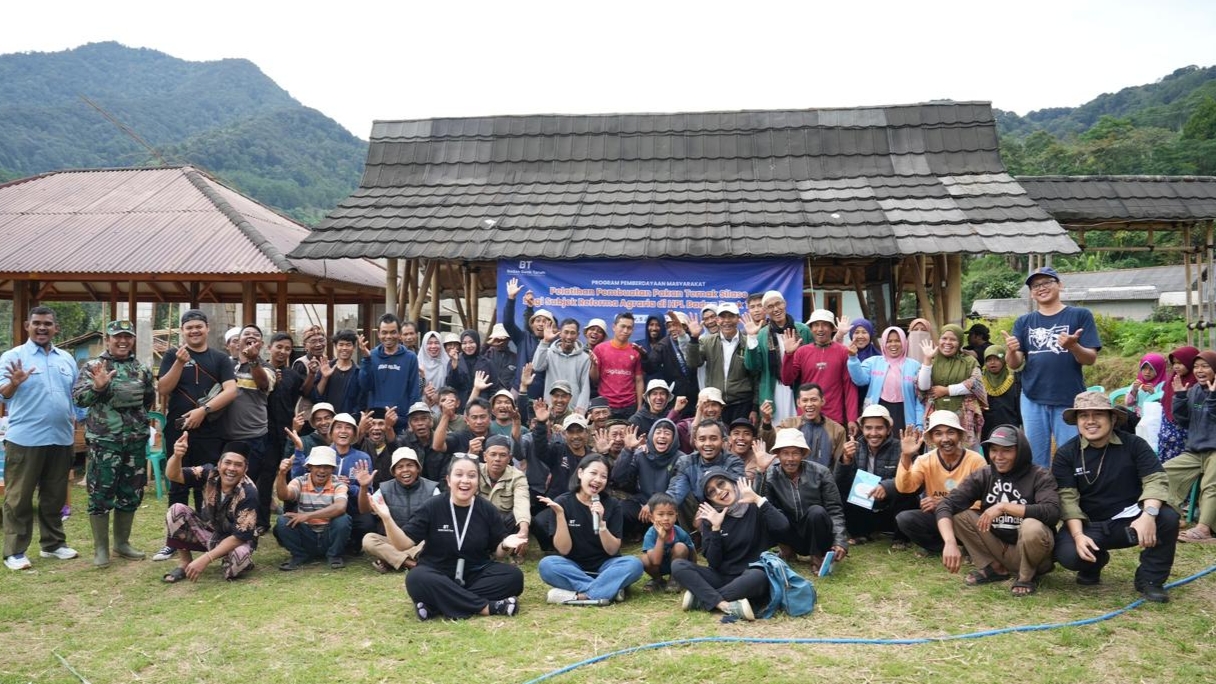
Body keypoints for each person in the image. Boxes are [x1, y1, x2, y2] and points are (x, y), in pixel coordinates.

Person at [1051, 391, 1178, 602]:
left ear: (1112, 418)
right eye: (1083, 416)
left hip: (1130, 521)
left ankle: (1150, 580)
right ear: (1077, 422)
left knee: (1167, 518)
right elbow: (1067, 499)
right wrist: (1078, 536)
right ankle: (1094, 562)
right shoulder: (1066, 454)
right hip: (1089, 525)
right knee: (1069, 555)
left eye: (1098, 414)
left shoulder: (1135, 445)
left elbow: (1156, 480)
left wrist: (1148, 515)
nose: (1090, 421)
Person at [370, 454, 525, 620]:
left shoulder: (487, 509)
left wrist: (506, 545)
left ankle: (435, 605)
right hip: (437, 572)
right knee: (416, 578)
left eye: (471, 476)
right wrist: (387, 519)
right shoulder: (432, 506)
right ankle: (488, 607)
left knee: (514, 577)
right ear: (449, 480)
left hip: (475, 572)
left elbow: (499, 553)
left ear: (478, 481)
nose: (465, 480)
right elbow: (402, 545)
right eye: (459, 475)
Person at [935, 425, 1060, 596]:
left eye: (1006, 450)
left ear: (1020, 451)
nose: (998, 457)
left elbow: (1052, 512)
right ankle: (994, 568)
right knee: (959, 515)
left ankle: (1025, 577)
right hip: (998, 545)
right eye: (994, 450)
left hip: (1033, 553)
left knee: (1032, 526)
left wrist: (1004, 506)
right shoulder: (985, 474)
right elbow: (946, 505)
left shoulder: (1039, 475)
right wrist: (949, 542)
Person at [2, 307, 81, 570]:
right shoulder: (14, 357)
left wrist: (81, 418)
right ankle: (15, 552)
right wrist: (14, 383)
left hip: (60, 438)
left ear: (56, 328)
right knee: (18, 498)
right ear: (27, 325)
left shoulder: (66, 359)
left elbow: (77, 396)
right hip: (25, 439)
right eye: (37, 323)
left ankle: (53, 545)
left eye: (48, 324)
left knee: (54, 495)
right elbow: (3, 394)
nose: (42, 328)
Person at [72, 319, 155, 567]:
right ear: (107, 339)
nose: (122, 341)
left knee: (131, 493)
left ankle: (122, 543)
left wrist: (134, 425)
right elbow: (79, 398)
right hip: (104, 443)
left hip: (135, 442)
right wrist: (98, 388)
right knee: (100, 494)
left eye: (127, 336)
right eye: (117, 336)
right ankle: (101, 549)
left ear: (132, 340)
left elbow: (147, 400)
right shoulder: (93, 367)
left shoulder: (142, 369)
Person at [1004, 266, 1102, 468]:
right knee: (1035, 458)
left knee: (1071, 454)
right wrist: (1011, 351)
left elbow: (1090, 359)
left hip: (1068, 397)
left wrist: (1074, 346)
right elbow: (1015, 364)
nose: (1041, 288)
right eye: (1035, 285)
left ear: (1060, 285)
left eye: (1047, 282)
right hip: (1032, 397)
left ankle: (1071, 496)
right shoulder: (1024, 321)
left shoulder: (1080, 315)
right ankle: (1042, 497)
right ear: (1031, 293)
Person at [671, 469, 789, 621]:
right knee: (678, 566)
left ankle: (702, 599)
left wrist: (758, 499)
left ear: (733, 483)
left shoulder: (754, 506)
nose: (719, 491)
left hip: (751, 575)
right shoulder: (711, 518)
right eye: (711, 492)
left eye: (721, 483)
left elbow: (783, 527)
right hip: (723, 576)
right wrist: (715, 529)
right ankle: (724, 605)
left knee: (760, 576)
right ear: (710, 500)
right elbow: (714, 562)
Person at [156, 308, 238, 518]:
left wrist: (203, 411)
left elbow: (231, 390)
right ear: (182, 331)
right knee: (177, 483)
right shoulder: (172, 355)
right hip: (179, 431)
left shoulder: (220, 359)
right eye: (189, 328)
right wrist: (179, 362)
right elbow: (164, 389)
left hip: (211, 430)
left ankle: (208, 532)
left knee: (208, 482)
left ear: (207, 329)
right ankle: (175, 537)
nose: (194, 331)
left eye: (198, 327)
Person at [538, 454, 645, 605]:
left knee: (634, 564)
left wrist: (601, 523)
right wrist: (560, 515)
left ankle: (581, 596)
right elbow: (564, 550)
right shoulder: (562, 502)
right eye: (593, 473)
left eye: (603, 476)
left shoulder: (613, 504)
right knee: (547, 565)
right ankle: (609, 590)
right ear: (581, 473)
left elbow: (612, 550)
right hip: (573, 567)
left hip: (607, 567)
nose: (597, 480)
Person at [161, 435, 258, 583]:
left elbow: (240, 536)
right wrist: (177, 456)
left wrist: (206, 559)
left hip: (237, 540)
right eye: (228, 463)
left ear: (246, 469)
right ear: (219, 465)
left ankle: (232, 560)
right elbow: (173, 475)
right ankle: (185, 562)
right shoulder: (208, 473)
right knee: (176, 510)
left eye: (238, 465)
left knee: (239, 560)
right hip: (209, 531)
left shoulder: (249, 492)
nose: (232, 468)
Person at [893, 411, 987, 554]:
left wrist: (944, 503)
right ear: (931, 438)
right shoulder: (924, 460)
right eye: (938, 434)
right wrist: (906, 456)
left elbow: (982, 502)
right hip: (940, 518)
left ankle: (969, 546)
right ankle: (946, 548)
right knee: (905, 519)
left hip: (967, 519)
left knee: (969, 518)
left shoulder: (976, 461)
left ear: (960, 435)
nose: (945, 439)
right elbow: (905, 488)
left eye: (951, 433)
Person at [756, 429, 849, 572]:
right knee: (771, 512)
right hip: (790, 534)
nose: (790, 458)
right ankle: (787, 551)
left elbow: (835, 510)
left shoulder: (821, 472)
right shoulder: (770, 475)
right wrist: (760, 472)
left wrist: (840, 541)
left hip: (817, 532)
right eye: (785, 453)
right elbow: (761, 505)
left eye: (795, 453)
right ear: (778, 455)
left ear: (803, 454)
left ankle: (817, 557)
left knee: (816, 511)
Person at [835, 405, 918, 548]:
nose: (873, 433)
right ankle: (860, 533)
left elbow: (916, 482)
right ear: (862, 429)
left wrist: (887, 487)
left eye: (879, 428)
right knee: (841, 494)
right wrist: (845, 460)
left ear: (888, 430)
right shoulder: (855, 447)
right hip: (865, 508)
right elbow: (840, 484)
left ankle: (900, 538)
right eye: (868, 428)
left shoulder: (902, 447)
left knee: (908, 496)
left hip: (891, 509)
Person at [223, 324, 275, 522]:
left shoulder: (266, 367)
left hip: (254, 436)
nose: (251, 336)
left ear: (261, 344)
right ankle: (225, 523)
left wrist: (253, 362)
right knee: (226, 483)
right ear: (238, 341)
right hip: (226, 435)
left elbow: (263, 384)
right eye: (246, 334)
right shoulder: (226, 365)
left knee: (248, 483)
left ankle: (246, 524)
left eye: (256, 335)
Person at [358, 446, 439, 573]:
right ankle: (413, 565)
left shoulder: (432, 489)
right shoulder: (385, 489)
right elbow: (364, 509)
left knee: (435, 542)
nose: (405, 470)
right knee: (368, 540)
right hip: (393, 541)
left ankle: (389, 560)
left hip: (420, 542)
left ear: (418, 468)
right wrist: (363, 487)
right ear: (394, 472)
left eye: (410, 465)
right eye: (400, 467)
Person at [1165, 350, 1216, 542]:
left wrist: (1213, 397)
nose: (1199, 370)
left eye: (1205, 366)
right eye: (1196, 366)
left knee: (1211, 484)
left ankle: (1204, 529)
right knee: (1165, 472)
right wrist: (1179, 397)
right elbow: (1185, 422)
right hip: (1195, 450)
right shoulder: (1194, 390)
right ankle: (1170, 518)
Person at [273, 446, 352, 570]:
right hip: (307, 534)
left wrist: (307, 516)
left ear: (332, 469)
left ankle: (334, 555)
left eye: (326, 467)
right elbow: (284, 495)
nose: (322, 470)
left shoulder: (339, 484)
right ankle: (299, 555)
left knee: (343, 519)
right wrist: (282, 474)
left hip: (328, 535)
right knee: (283, 521)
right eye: (317, 466)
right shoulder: (300, 481)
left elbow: (340, 507)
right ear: (309, 467)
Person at [780, 309, 858, 431]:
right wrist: (789, 354)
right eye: (816, 325)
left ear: (833, 328)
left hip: (834, 417)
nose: (820, 329)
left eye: (825, 324)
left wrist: (852, 418)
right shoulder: (802, 352)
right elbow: (787, 380)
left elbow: (849, 386)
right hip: (806, 416)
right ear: (810, 329)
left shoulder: (843, 351)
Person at [611, 418, 684, 540]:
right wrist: (628, 450)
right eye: (658, 432)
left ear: (674, 438)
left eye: (667, 433)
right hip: (642, 505)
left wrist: (653, 504)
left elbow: (676, 490)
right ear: (651, 435)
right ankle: (637, 532)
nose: (662, 436)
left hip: (668, 507)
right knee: (621, 509)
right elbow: (619, 479)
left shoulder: (681, 459)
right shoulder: (641, 454)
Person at [743, 291, 810, 423]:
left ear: (784, 304)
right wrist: (751, 337)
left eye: (778, 304)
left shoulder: (803, 330)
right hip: (773, 389)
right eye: (770, 306)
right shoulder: (762, 334)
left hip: (798, 387)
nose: (775, 309)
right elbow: (753, 366)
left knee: (800, 427)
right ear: (766, 311)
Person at [687, 302, 755, 425]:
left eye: (731, 316)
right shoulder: (707, 341)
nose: (727, 321)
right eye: (723, 317)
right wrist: (694, 338)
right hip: (715, 404)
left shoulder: (747, 342)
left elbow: (756, 376)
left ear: (738, 319)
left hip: (742, 403)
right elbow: (693, 363)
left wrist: (755, 408)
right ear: (717, 320)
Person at [918, 324, 986, 447]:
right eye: (944, 338)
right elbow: (923, 387)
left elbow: (976, 384)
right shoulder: (933, 359)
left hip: (963, 416)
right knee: (937, 454)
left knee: (965, 455)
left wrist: (947, 390)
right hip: (936, 414)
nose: (948, 342)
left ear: (960, 342)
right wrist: (927, 359)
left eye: (953, 339)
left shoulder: (969, 361)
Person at [848, 326, 923, 433]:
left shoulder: (915, 365)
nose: (893, 344)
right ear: (883, 343)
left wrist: (919, 424)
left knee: (903, 447)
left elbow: (919, 399)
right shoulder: (873, 362)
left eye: (897, 341)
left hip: (905, 414)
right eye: (889, 341)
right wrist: (853, 358)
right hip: (878, 410)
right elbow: (860, 380)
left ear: (904, 342)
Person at [265, 332, 304, 532]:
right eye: (279, 347)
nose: (282, 352)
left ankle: (290, 515)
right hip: (265, 431)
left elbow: (305, 394)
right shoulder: (261, 370)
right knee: (266, 474)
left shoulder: (293, 375)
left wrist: (313, 374)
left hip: (288, 431)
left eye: (287, 349)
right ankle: (261, 519)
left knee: (290, 472)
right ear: (269, 347)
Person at [358, 313, 421, 431]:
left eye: (393, 332)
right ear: (378, 333)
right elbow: (365, 386)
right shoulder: (371, 355)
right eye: (384, 332)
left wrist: (413, 418)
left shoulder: (410, 357)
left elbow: (414, 391)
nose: (388, 336)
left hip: (401, 420)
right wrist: (366, 359)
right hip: (376, 422)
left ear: (399, 334)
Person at [762, 383, 846, 470]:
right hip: (792, 480)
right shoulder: (787, 425)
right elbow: (768, 446)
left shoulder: (837, 430)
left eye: (814, 400)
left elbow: (840, 464)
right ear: (798, 403)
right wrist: (767, 421)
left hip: (824, 480)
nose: (809, 404)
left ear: (822, 401)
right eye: (805, 400)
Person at [477, 435, 531, 559]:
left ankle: (513, 547)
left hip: (503, 523)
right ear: (485, 456)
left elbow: (521, 502)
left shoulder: (517, 476)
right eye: (493, 454)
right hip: (478, 519)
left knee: (520, 518)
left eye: (502, 455)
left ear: (509, 458)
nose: (497, 459)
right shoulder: (475, 471)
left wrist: (524, 530)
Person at [532, 317, 592, 414]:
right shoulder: (549, 352)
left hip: (573, 410)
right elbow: (537, 367)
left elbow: (585, 387)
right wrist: (545, 342)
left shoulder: (584, 358)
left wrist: (580, 411)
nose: (569, 336)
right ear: (560, 333)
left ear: (577, 335)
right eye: (566, 332)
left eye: (572, 333)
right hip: (551, 408)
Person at [502, 278, 549, 402]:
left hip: (542, 395)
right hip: (518, 390)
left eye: (545, 322)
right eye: (538, 321)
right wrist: (511, 298)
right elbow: (507, 323)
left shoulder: (554, 344)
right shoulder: (523, 338)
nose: (541, 324)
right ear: (532, 324)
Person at [643, 312, 700, 414]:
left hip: (696, 394)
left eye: (678, 325)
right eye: (670, 326)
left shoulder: (695, 341)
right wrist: (644, 357)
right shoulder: (663, 345)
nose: (674, 328)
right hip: (675, 396)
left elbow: (697, 363)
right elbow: (650, 369)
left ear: (686, 327)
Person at [592, 312, 645, 419]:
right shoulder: (600, 349)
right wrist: (593, 365)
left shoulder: (635, 351)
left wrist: (639, 406)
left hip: (629, 405)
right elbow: (594, 380)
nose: (625, 331)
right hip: (606, 405)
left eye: (629, 328)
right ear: (614, 327)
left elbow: (639, 380)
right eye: (622, 326)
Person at [639, 492, 695, 592]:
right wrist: (660, 539)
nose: (666, 518)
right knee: (644, 559)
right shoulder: (650, 534)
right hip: (660, 565)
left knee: (680, 547)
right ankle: (658, 580)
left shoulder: (680, 532)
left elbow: (692, 552)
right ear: (652, 518)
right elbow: (655, 562)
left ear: (676, 516)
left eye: (670, 514)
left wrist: (693, 572)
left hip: (679, 565)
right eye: (660, 514)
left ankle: (675, 579)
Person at [1158, 346, 1200, 463]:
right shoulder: (1173, 378)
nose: (1176, 366)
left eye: (1181, 363)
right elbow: (1165, 400)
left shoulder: (1197, 383)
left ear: (1191, 362)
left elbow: (1196, 408)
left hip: (1186, 429)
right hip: (1168, 425)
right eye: (1174, 363)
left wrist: (1182, 395)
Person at [980, 346, 1021, 444]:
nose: (992, 362)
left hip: (1009, 426)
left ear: (1004, 360)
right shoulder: (980, 381)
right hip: (987, 428)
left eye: (996, 359)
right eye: (989, 359)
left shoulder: (1014, 380)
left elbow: (1019, 406)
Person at [313, 329, 360, 415]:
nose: (344, 348)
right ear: (335, 346)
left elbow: (360, 400)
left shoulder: (358, 372)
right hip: (327, 419)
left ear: (354, 347)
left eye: (348, 345)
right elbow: (317, 395)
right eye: (341, 345)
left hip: (348, 421)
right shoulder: (326, 367)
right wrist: (324, 377)